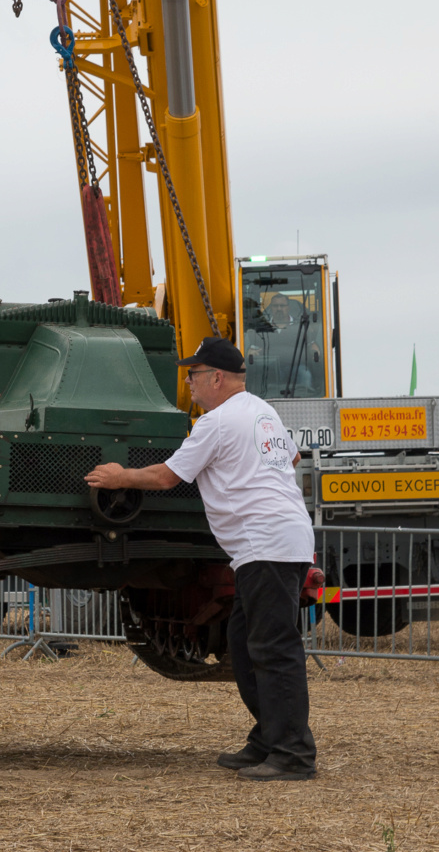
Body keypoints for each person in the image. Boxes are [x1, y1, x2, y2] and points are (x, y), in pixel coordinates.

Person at [85, 335, 318, 781]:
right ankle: (269, 739)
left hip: (263, 543)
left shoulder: (217, 421)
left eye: (193, 375)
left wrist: (119, 477)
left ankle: (293, 753)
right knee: (244, 644)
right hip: (277, 540)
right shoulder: (263, 412)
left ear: (216, 377)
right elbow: (292, 459)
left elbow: (167, 475)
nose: (189, 382)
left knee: (273, 649)